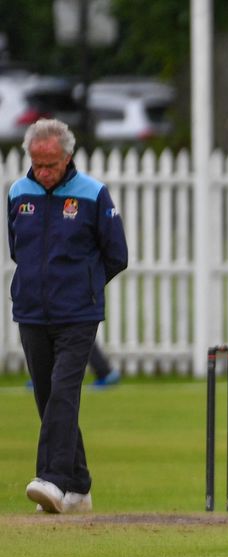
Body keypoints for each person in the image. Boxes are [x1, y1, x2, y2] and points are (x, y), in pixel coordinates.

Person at [7, 118, 128, 514]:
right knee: (46, 395)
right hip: (31, 312)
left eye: (51, 164)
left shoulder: (93, 194)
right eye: (37, 163)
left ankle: (52, 480)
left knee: (63, 393)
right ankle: (78, 485)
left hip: (78, 314)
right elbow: (17, 250)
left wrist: (85, 287)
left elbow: (117, 255)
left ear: (67, 157)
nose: (43, 172)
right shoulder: (17, 193)